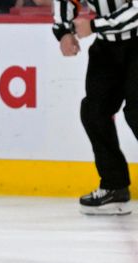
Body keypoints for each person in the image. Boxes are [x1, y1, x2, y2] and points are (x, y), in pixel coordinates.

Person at [53, 0, 136, 215]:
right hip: (107, 48)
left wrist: (94, 25)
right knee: (94, 112)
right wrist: (64, 32)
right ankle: (114, 186)